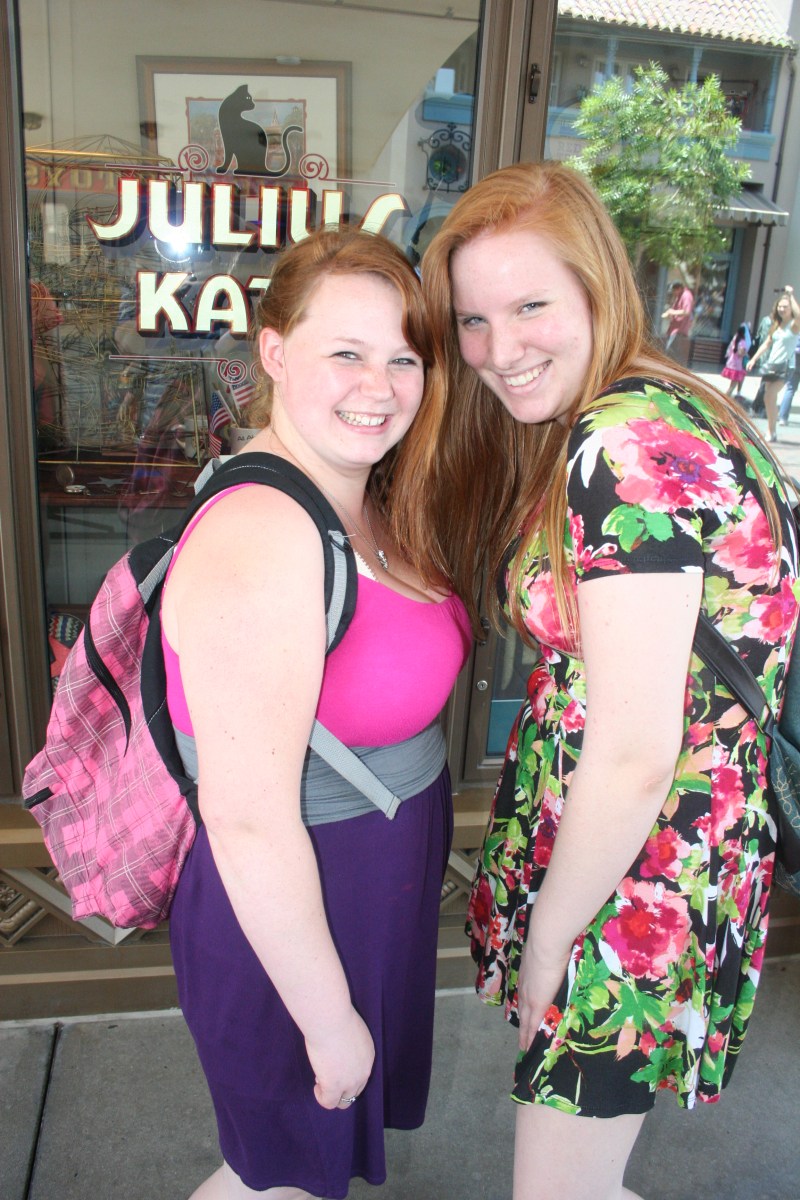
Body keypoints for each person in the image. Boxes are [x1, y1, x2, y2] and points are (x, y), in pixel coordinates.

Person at [390, 162, 799, 1200]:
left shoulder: (620, 444)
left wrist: (549, 942)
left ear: (596, 288)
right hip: (641, 854)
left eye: (530, 306)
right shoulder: (665, 401)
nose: (498, 350)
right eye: (473, 320)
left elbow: (631, 754)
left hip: (632, 874)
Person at [161, 227, 471, 1199]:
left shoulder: (365, 498)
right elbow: (247, 818)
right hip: (295, 924)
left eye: (403, 359)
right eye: (345, 352)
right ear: (274, 351)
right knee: (280, 1179)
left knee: (293, 1171)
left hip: (365, 899)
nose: (377, 387)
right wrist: (328, 1017)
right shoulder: (265, 533)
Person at [745, 286, 800, 442]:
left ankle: (771, 431)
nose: (782, 309)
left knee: (770, 394)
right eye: (780, 306)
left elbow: (799, 314)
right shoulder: (776, 324)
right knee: (768, 399)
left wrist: (790, 295)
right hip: (772, 365)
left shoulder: (794, 325)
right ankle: (772, 430)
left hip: (786, 367)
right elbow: (766, 343)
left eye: (785, 307)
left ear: (791, 308)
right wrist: (753, 359)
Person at [661, 278, 694, 366]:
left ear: (679, 288)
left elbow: (686, 312)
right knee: (672, 350)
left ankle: (675, 369)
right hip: (674, 327)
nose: (673, 293)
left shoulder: (686, 296)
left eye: (674, 290)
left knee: (670, 349)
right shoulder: (679, 296)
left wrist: (672, 312)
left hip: (680, 329)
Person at [720, 321, 750, 398]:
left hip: (732, 362)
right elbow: (740, 353)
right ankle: (725, 398)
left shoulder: (735, 339)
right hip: (738, 365)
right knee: (733, 386)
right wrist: (745, 354)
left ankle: (726, 397)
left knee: (732, 384)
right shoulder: (742, 342)